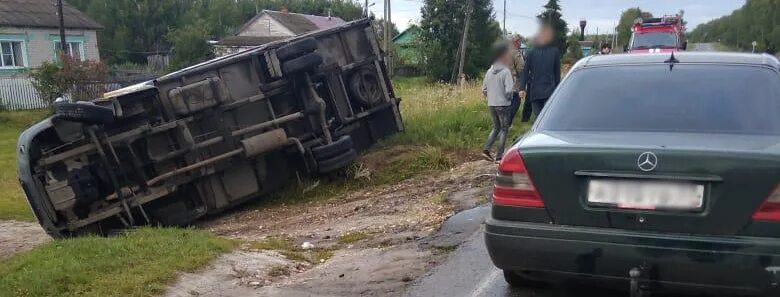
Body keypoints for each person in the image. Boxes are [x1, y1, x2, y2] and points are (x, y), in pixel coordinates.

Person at [481, 42, 515, 162]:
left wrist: (491, 96)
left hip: (492, 104)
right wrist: (509, 98)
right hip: (503, 104)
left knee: (496, 127)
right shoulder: (506, 72)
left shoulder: (489, 72)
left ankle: (486, 150)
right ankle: (499, 156)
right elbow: (509, 90)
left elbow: (483, 90)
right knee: (504, 129)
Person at [520, 24, 561, 117]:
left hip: (537, 90)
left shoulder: (531, 52)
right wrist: (522, 88)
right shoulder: (554, 51)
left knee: (539, 118)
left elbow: (525, 71)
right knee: (546, 117)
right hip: (547, 90)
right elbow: (557, 73)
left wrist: (522, 88)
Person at [507, 35, 525, 128]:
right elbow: (521, 68)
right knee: (516, 102)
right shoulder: (516, 53)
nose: (520, 44)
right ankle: (507, 124)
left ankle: (502, 124)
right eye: (520, 42)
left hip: (502, 81)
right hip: (513, 81)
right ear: (516, 42)